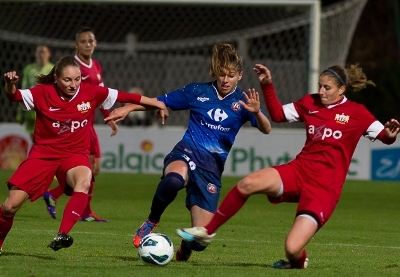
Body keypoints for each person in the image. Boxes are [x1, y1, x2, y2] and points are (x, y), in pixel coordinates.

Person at [176, 63, 400, 268]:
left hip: (324, 190)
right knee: (248, 183)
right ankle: (206, 231)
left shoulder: (357, 114)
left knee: (292, 249)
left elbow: (385, 136)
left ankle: (298, 262)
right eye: (320, 86)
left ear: (341, 90)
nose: (321, 92)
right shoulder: (310, 103)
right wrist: (267, 85)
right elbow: (278, 114)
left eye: (327, 88)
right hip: (299, 171)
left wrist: (390, 133)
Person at [105, 44, 272, 261]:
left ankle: (186, 246)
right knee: (173, 180)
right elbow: (159, 101)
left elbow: (266, 129)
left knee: (201, 238)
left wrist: (257, 113)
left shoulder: (244, 103)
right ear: (215, 72)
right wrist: (128, 107)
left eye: (231, 75)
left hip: (210, 169)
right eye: (221, 73)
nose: (225, 79)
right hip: (187, 151)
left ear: (239, 75)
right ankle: (152, 220)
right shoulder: (197, 91)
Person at [1, 55, 167, 254]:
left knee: (85, 180)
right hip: (43, 155)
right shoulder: (42, 93)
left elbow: (128, 97)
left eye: (77, 79)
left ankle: (62, 234)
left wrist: (159, 104)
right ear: (56, 78)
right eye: (67, 80)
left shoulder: (91, 92)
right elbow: (15, 96)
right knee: (10, 207)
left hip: (75, 154)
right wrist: (10, 85)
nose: (74, 84)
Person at [42, 27, 116, 222]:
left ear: (96, 43)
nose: (88, 45)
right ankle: (84, 211)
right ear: (76, 45)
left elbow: (100, 96)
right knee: (88, 168)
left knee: (95, 168)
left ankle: (54, 195)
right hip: (77, 126)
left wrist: (108, 117)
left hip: (88, 124)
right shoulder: (72, 68)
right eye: (83, 41)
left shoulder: (96, 66)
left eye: (91, 41)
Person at [16, 44, 54, 140]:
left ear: (49, 54)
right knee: (35, 141)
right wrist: (21, 112)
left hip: (48, 109)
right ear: (35, 54)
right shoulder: (29, 69)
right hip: (32, 110)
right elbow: (24, 89)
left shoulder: (54, 69)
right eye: (39, 52)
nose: (41, 55)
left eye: (43, 52)